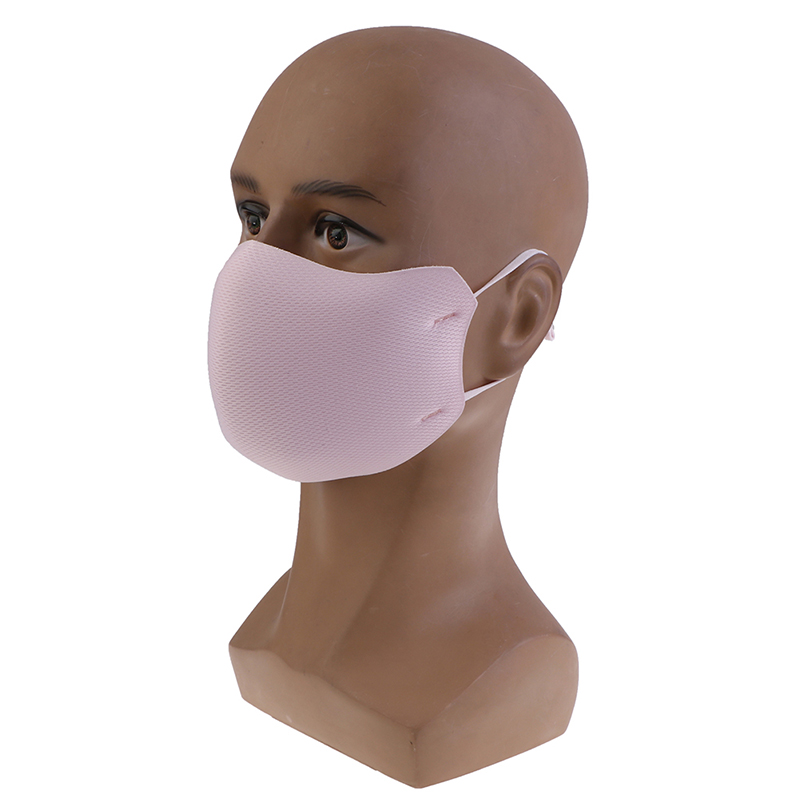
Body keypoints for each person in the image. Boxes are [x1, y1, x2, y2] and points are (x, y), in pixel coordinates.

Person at [209, 25, 588, 787]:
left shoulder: (506, 668)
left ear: (517, 318)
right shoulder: (259, 636)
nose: (254, 274)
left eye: (334, 232)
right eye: (252, 217)